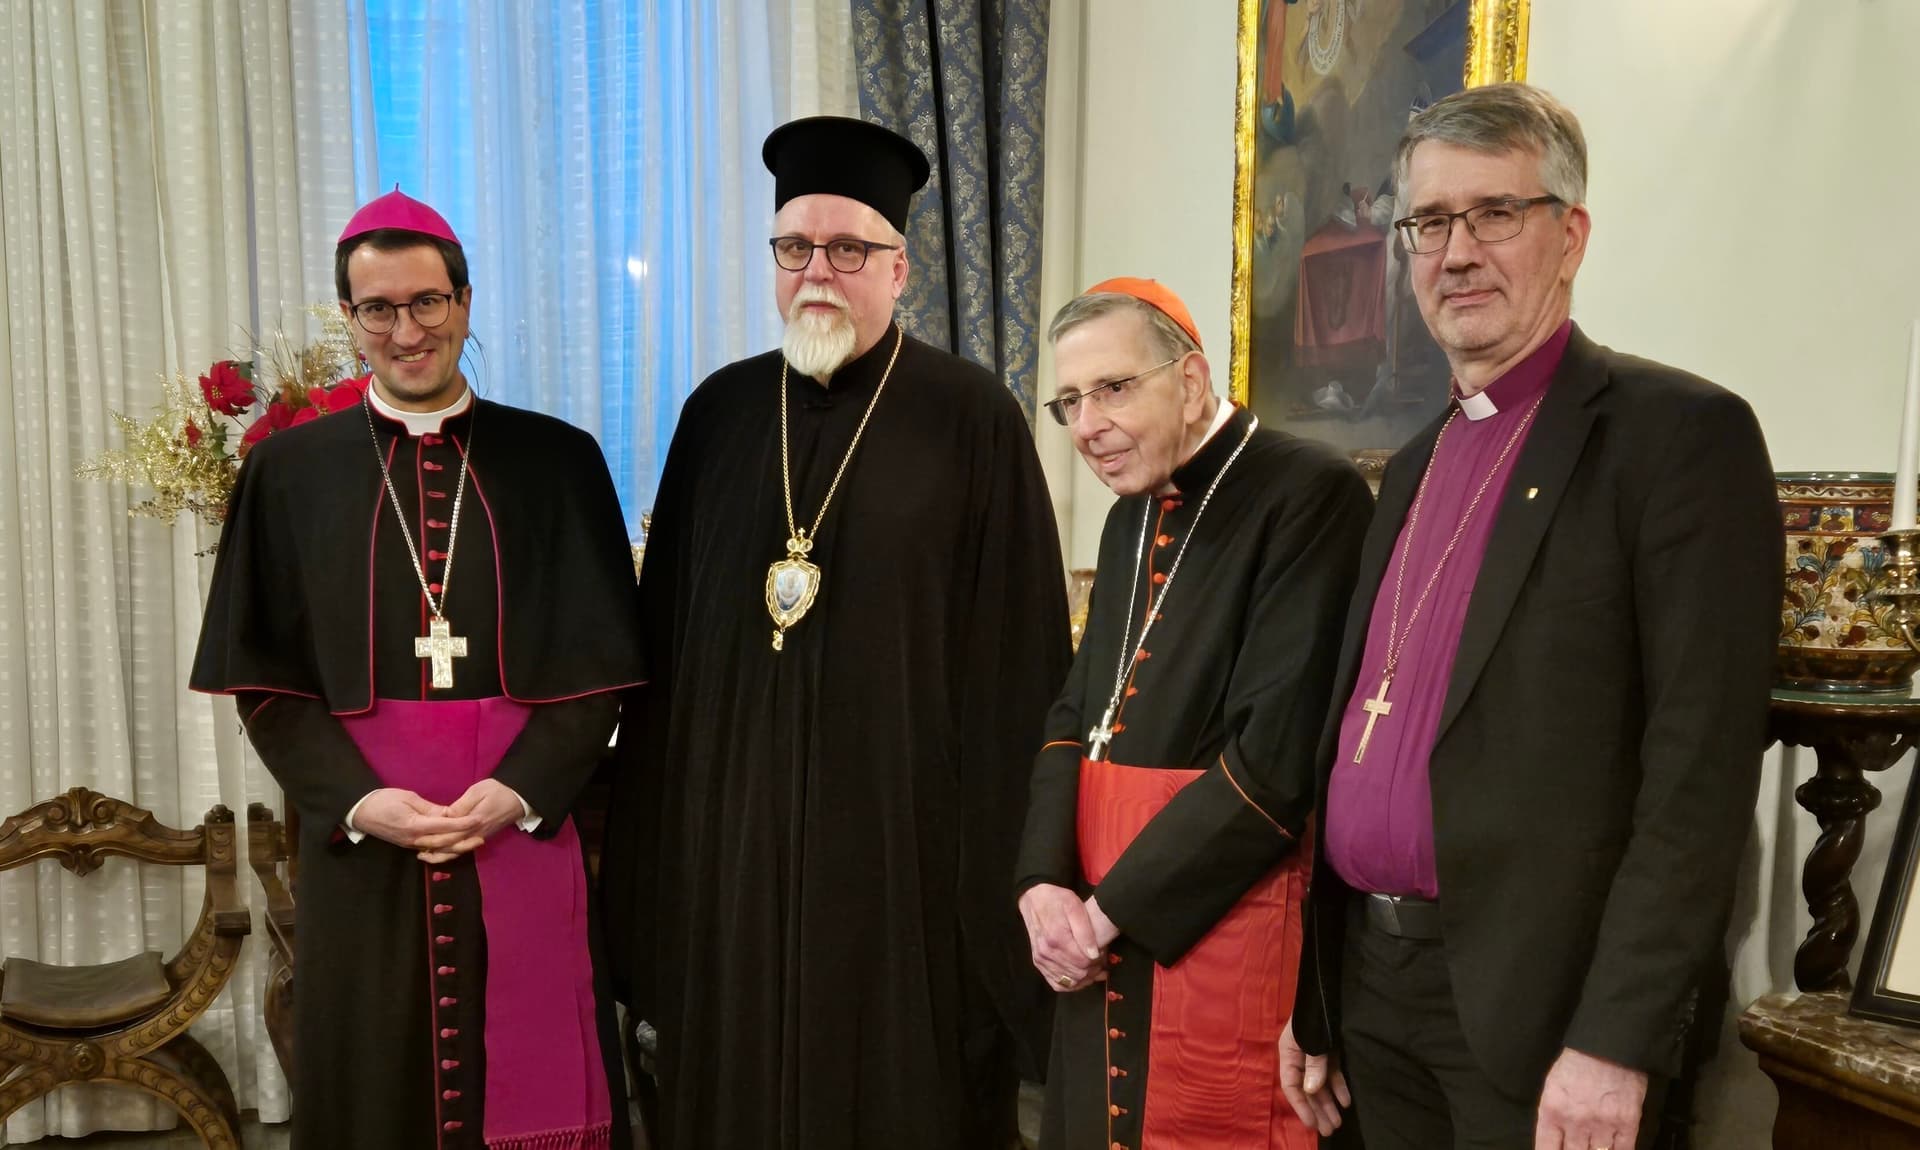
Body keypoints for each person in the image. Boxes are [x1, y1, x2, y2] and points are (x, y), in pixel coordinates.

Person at [1278, 83, 1780, 1150]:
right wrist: (1317, 994)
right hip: (1374, 986)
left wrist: (1616, 1039)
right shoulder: (1411, 464)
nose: (1457, 252)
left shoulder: (1678, 438)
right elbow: (1361, 721)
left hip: (1540, 1013)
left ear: (1571, 235)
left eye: (1495, 213)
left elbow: (1698, 774)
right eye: (1428, 222)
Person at [601, 116, 1072, 1150]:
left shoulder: (972, 416)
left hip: (904, 850)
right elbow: (664, 659)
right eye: (794, 248)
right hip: (735, 849)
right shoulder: (717, 415)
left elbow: (1021, 663)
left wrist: (1010, 866)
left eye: (848, 250)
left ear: (899, 268)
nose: (819, 273)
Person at [191, 189, 643, 1150]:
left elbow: (602, 665)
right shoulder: (289, 473)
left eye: (427, 303)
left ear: (466, 303)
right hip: (367, 842)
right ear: (350, 321)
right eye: (378, 309)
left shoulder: (558, 463)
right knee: (371, 1078)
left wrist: (518, 791)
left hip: (515, 824)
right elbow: (264, 679)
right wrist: (358, 804)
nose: (406, 331)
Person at [1014, 278, 1371, 1149]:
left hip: (1215, 928)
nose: (1087, 424)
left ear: (1193, 379)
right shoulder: (1129, 517)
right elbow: (1075, 713)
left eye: (1113, 388)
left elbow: (1275, 760)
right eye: (1069, 401)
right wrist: (1041, 885)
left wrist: (1106, 914)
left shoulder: (1309, 495)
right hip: (1095, 934)